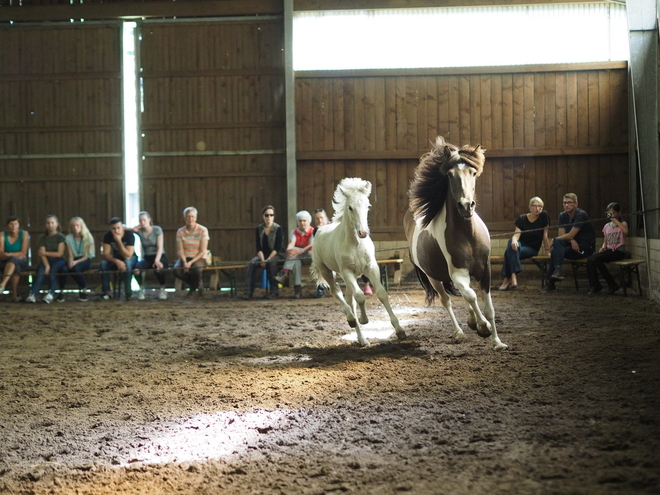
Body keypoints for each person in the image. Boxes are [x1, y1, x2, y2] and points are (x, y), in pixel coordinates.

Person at [312, 207, 373, 297]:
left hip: (347, 250)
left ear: (326, 218)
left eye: (321, 218)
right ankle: (322, 289)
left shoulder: (335, 227)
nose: (319, 220)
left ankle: (367, 284)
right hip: (330, 254)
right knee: (320, 266)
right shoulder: (317, 231)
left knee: (362, 260)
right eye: (317, 219)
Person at [544, 193, 596, 292]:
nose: (566, 205)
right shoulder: (562, 216)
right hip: (571, 246)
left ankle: (550, 283)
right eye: (564, 203)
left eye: (569, 202)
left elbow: (569, 235)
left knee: (555, 249)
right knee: (556, 249)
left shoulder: (581, 214)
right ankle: (557, 272)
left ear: (576, 204)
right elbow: (562, 235)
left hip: (585, 247)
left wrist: (557, 239)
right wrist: (571, 240)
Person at [498, 197, 551, 291]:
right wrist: (514, 240)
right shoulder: (522, 218)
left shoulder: (544, 216)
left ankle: (507, 281)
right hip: (520, 245)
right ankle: (513, 277)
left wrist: (547, 251)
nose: (537, 208)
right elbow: (516, 235)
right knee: (511, 244)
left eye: (540, 206)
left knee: (509, 252)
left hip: (532, 248)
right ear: (530, 207)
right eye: (534, 206)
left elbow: (545, 236)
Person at [241, 205, 285, 300]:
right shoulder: (259, 228)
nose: (269, 217)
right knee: (252, 263)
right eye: (266, 215)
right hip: (262, 255)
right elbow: (258, 247)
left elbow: (277, 248)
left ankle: (274, 291)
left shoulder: (278, 228)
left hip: (276, 255)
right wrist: (262, 260)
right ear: (263, 216)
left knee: (271, 263)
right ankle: (248, 292)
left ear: (274, 216)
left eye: (271, 215)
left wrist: (267, 260)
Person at [586, 202, 628, 295]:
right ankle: (595, 284)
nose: (611, 215)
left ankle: (611, 283)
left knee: (597, 259)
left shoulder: (623, 224)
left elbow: (625, 231)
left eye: (613, 213)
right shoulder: (607, 226)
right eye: (609, 213)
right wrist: (603, 247)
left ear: (618, 213)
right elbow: (606, 240)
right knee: (590, 259)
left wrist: (615, 220)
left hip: (618, 251)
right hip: (609, 250)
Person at [25, 215, 67, 304]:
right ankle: (32, 294)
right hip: (46, 260)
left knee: (53, 273)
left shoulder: (61, 237)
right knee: (40, 273)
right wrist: (47, 265)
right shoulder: (42, 237)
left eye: (52, 223)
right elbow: (41, 254)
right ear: (45, 225)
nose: (50, 225)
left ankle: (50, 294)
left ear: (57, 224)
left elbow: (59, 254)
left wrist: (44, 253)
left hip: (58, 261)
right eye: (48, 223)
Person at [276, 210, 314, 299]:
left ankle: (284, 273)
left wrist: (299, 251)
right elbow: (292, 242)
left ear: (309, 221)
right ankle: (298, 291)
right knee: (295, 261)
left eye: (304, 221)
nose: (302, 223)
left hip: (310, 255)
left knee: (295, 252)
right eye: (300, 221)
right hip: (298, 257)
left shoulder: (313, 231)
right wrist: (289, 250)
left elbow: (311, 245)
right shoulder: (294, 231)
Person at [173, 206, 209, 297]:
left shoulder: (203, 230)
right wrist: (185, 262)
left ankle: (192, 289)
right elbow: (180, 250)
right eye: (188, 216)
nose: (190, 218)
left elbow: (202, 251)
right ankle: (197, 284)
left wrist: (190, 263)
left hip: (199, 257)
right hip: (185, 256)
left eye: (192, 216)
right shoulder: (180, 231)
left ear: (196, 218)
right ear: (185, 218)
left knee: (196, 269)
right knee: (177, 270)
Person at [133, 211, 169, 301]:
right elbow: (123, 228)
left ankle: (162, 289)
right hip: (147, 257)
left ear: (149, 220)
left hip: (160, 256)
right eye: (140, 220)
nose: (142, 222)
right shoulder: (140, 232)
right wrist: (133, 229)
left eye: (144, 220)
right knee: (136, 270)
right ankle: (141, 288)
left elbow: (160, 247)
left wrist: (157, 260)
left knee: (158, 268)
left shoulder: (157, 230)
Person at [100, 217, 138, 301]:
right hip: (116, 259)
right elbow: (105, 254)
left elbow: (128, 256)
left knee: (127, 263)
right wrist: (117, 261)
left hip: (131, 258)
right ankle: (106, 292)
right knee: (103, 264)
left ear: (122, 227)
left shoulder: (129, 235)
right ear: (110, 228)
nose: (116, 231)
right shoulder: (107, 236)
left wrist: (119, 241)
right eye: (113, 229)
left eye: (118, 228)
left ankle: (128, 293)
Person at [62, 217, 95, 301]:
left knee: (76, 268)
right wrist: (70, 261)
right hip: (74, 259)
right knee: (64, 269)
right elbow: (70, 254)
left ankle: (84, 290)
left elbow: (86, 256)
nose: (75, 227)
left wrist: (75, 262)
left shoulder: (87, 237)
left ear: (81, 226)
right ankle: (61, 292)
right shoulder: (68, 238)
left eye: (77, 225)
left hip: (84, 260)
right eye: (73, 225)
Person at [0, 216, 30, 302]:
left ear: (18, 225)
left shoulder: (24, 234)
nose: (13, 226)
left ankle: (3, 284)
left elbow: (23, 252)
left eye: (15, 224)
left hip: (21, 262)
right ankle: (14, 295)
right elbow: (1, 253)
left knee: (13, 260)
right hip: (4, 261)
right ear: (7, 226)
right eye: (11, 224)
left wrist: (9, 254)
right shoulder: (2, 235)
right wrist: (10, 256)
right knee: (14, 266)